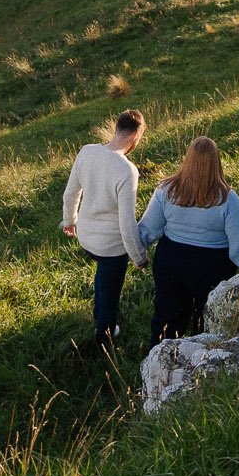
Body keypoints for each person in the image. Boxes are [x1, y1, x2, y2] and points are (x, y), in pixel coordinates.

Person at [139, 136, 239, 346]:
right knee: (206, 319)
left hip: (171, 261)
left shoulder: (166, 190)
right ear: (216, 163)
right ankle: (200, 363)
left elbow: (148, 229)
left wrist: (132, 250)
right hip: (212, 266)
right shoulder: (228, 199)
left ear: (188, 159)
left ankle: (158, 361)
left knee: (166, 317)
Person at [61, 109, 147, 347]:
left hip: (86, 237)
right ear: (135, 136)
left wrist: (69, 221)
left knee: (103, 274)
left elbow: (71, 194)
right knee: (111, 293)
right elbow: (127, 223)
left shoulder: (87, 152)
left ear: (116, 129)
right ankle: (104, 337)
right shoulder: (127, 170)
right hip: (111, 245)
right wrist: (139, 256)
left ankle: (97, 314)